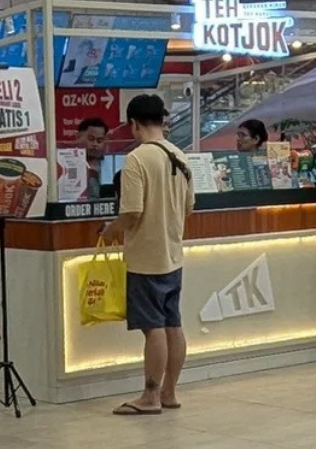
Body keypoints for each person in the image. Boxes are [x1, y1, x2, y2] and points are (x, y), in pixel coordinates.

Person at [102, 94, 194, 415]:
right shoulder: (180, 156)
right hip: (173, 255)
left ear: (133, 123)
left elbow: (131, 212)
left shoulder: (137, 159)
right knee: (173, 324)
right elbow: (189, 208)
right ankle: (169, 392)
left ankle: (150, 397)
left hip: (145, 259)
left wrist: (110, 229)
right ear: (162, 120)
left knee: (153, 328)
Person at [76, 117, 109, 200]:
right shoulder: (66, 163)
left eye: (99, 141)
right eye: (91, 139)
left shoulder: (109, 164)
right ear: (78, 137)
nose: (95, 144)